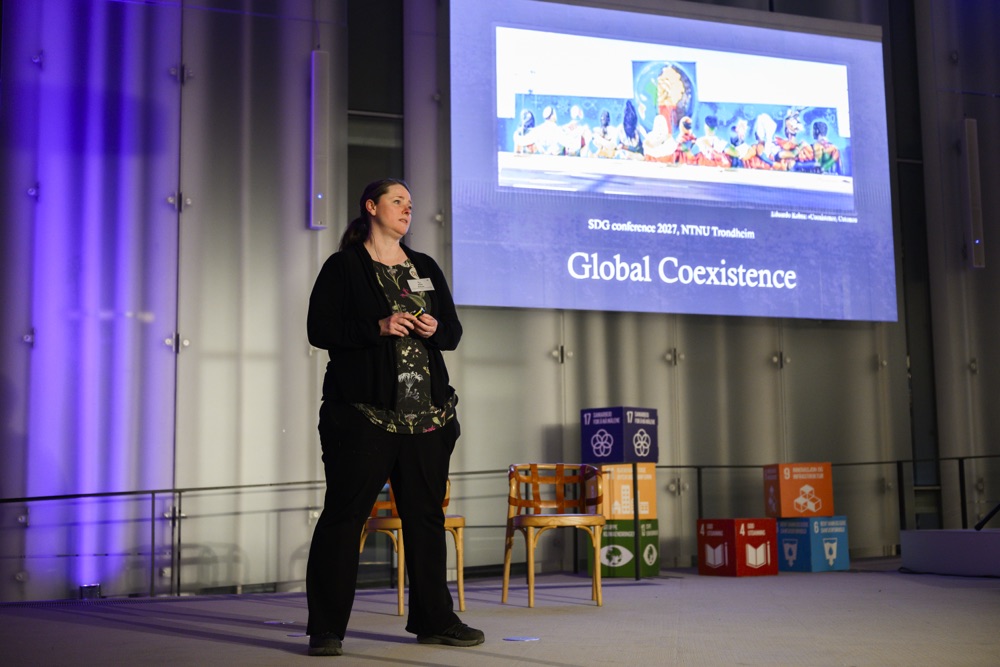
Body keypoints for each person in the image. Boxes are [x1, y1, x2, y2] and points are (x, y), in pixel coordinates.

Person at [305, 178, 483, 657]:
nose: (407, 209)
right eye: (397, 201)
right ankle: (326, 629)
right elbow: (319, 329)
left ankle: (434, 620)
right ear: (371, 207)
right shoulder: (344, 266)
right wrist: (378, 326)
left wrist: (434, 327)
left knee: (425, 518)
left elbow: (452, 333)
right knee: (345, 517)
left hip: (426, 419)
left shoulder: (424, 267)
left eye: (410, 203)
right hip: (364, 415)